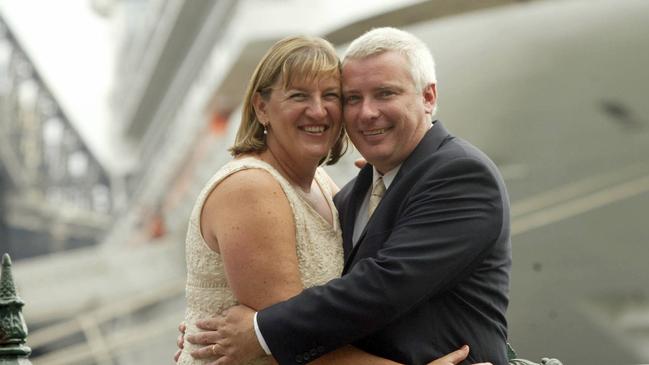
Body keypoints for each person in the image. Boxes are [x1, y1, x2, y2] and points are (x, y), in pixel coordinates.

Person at [183, 27, 512, 365]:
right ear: (261, 108)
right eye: (352, 98)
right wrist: (212, 319)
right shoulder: (351, 191)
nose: (366, 113)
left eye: (384, 94)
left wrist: (260, 331)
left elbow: (385, 284)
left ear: (428, 97)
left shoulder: (458, 174)